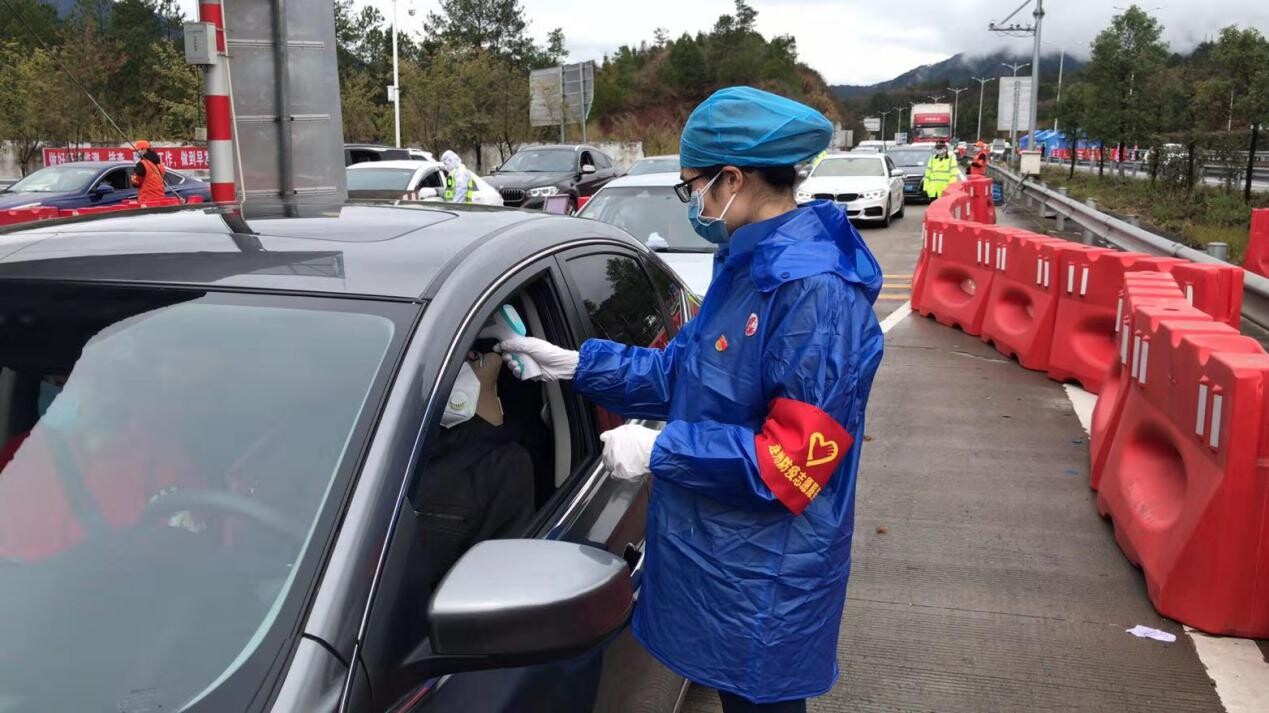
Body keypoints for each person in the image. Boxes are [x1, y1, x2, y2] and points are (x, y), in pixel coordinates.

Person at [497, 86, 884, 712]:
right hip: (723, 563)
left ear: (732, 179)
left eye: (692, 188)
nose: (694, 204)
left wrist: (663, 448)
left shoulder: (814, 294)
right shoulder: (745, 267)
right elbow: (683, 373)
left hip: (767, 581)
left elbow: (795, 462)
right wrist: (576, 364)